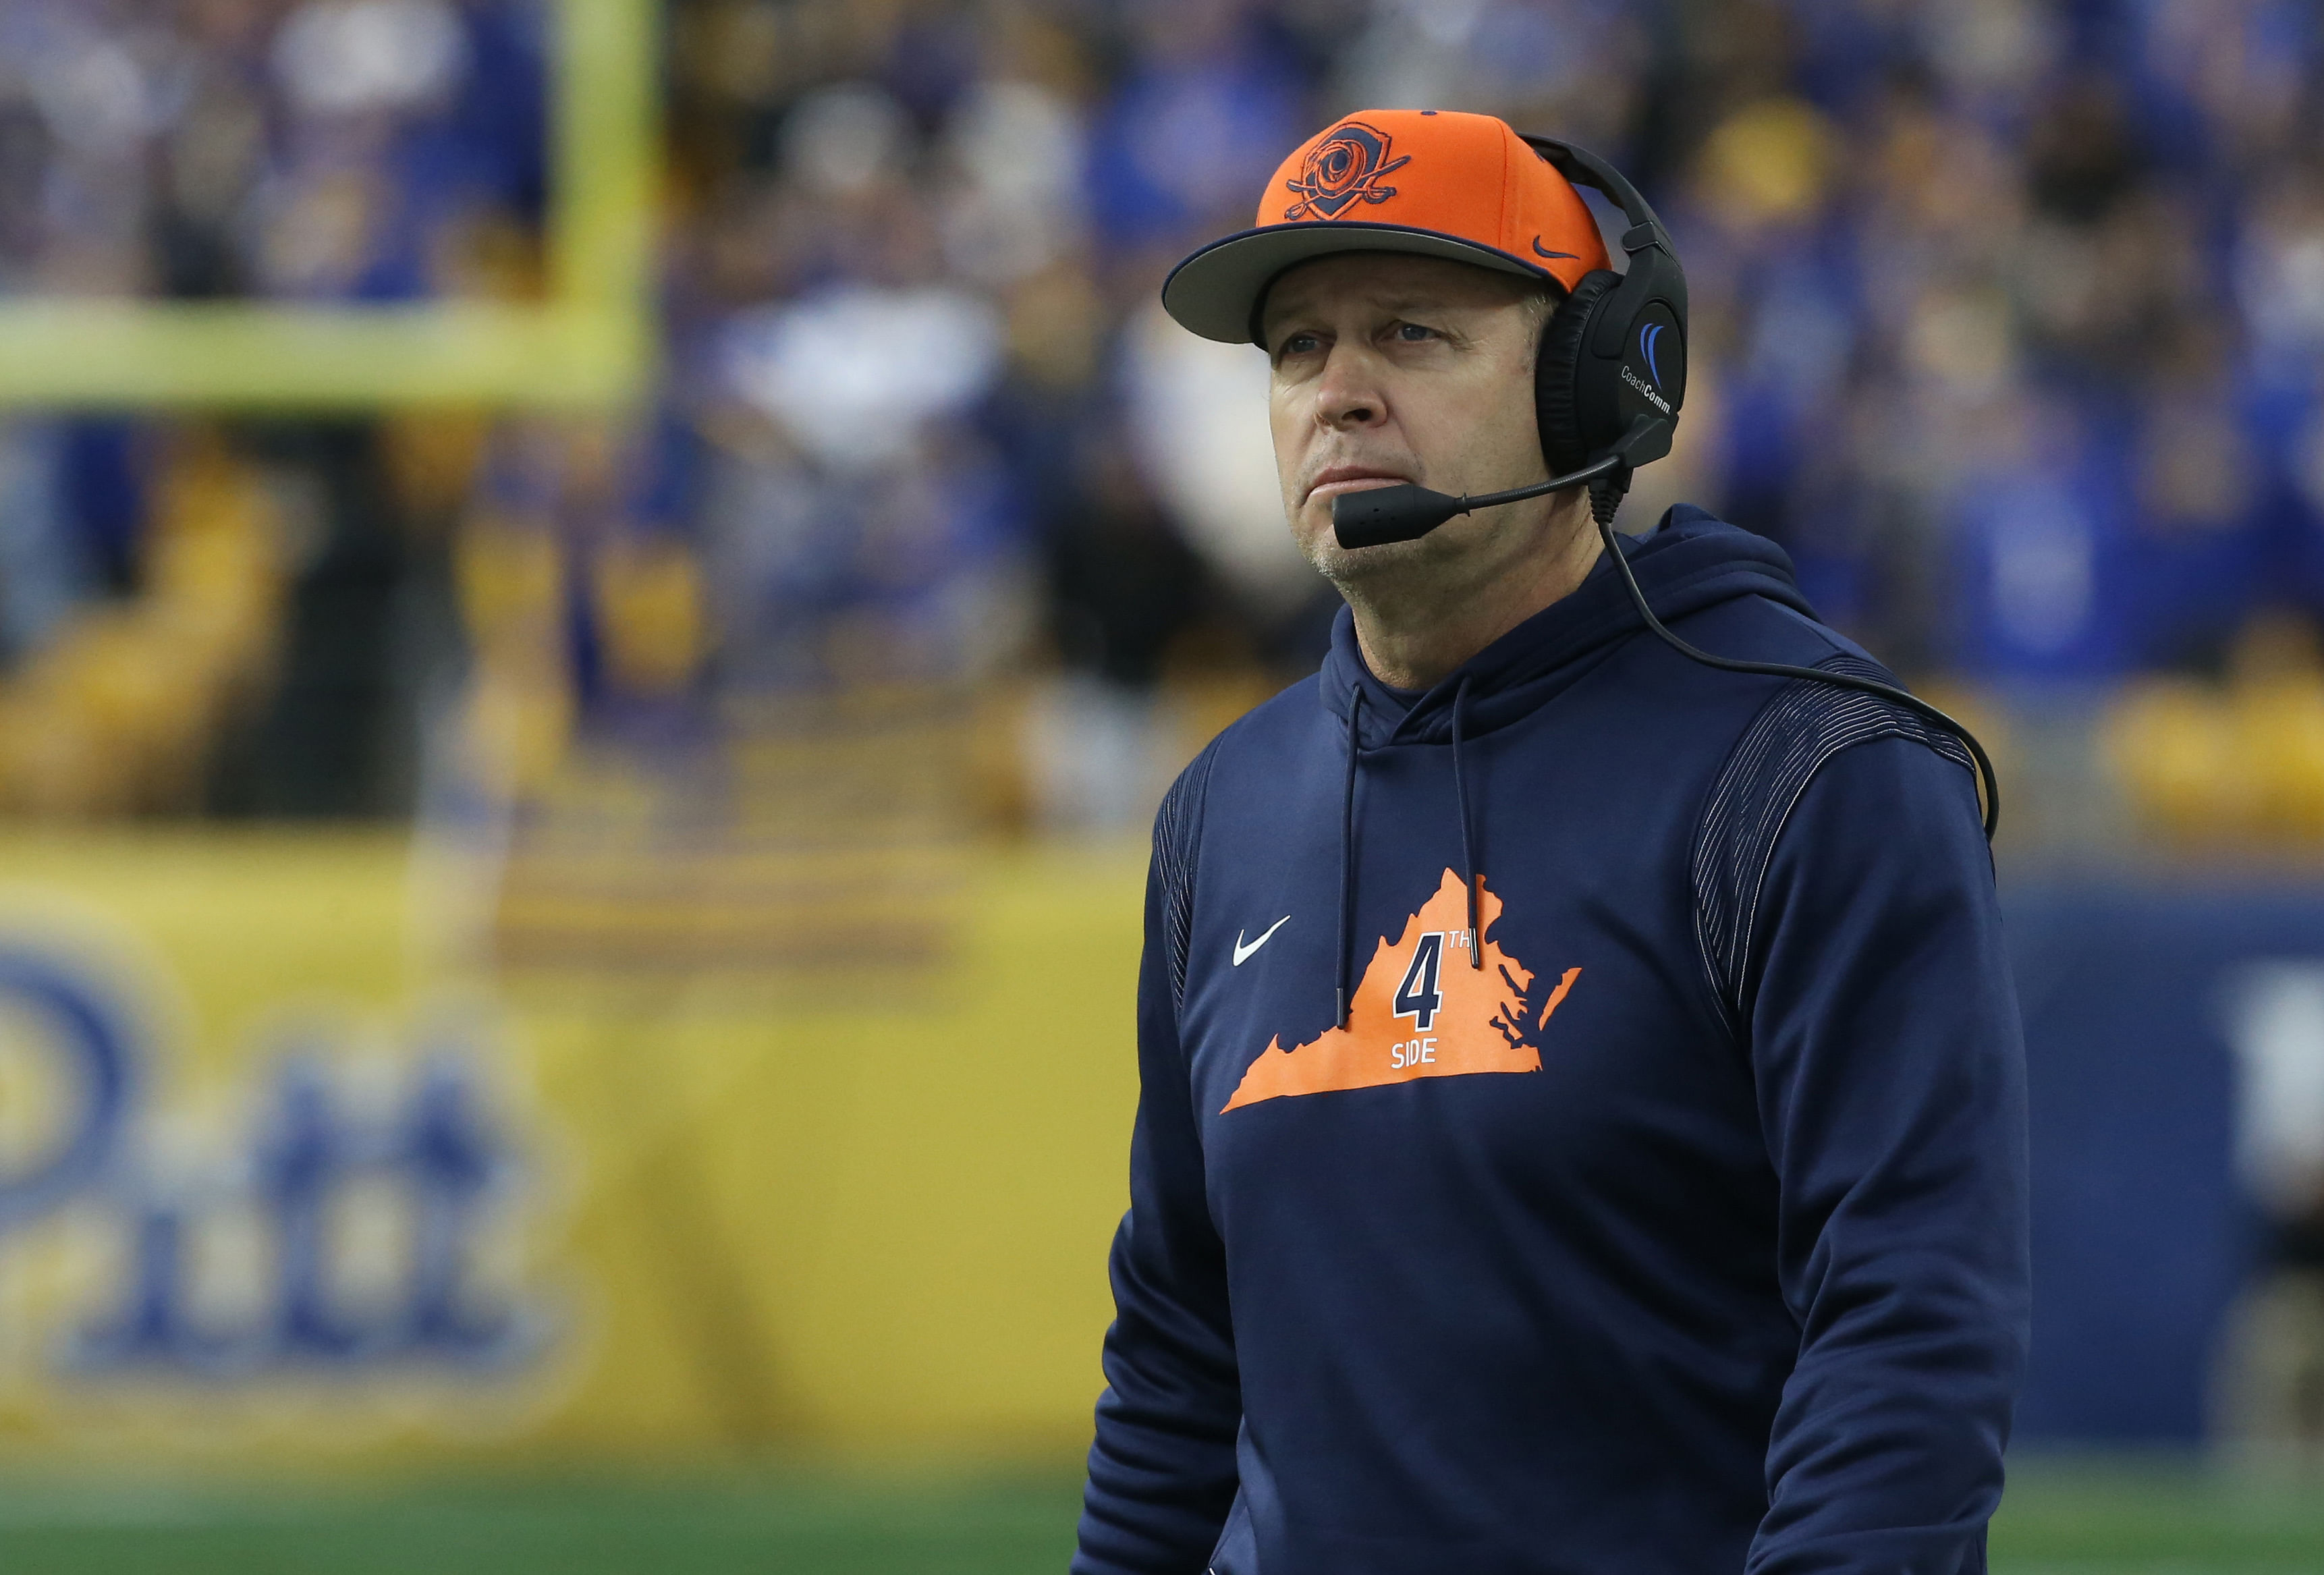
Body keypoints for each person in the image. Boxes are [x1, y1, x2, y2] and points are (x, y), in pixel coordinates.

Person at [1074, 109, 2029, 1575]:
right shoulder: (1224, 808)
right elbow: (1180, 1364)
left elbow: (1907, 1330)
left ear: (1598, 382)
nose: (1337, 394)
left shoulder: (1810, 771)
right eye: (1296, 349)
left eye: (1410, 332)